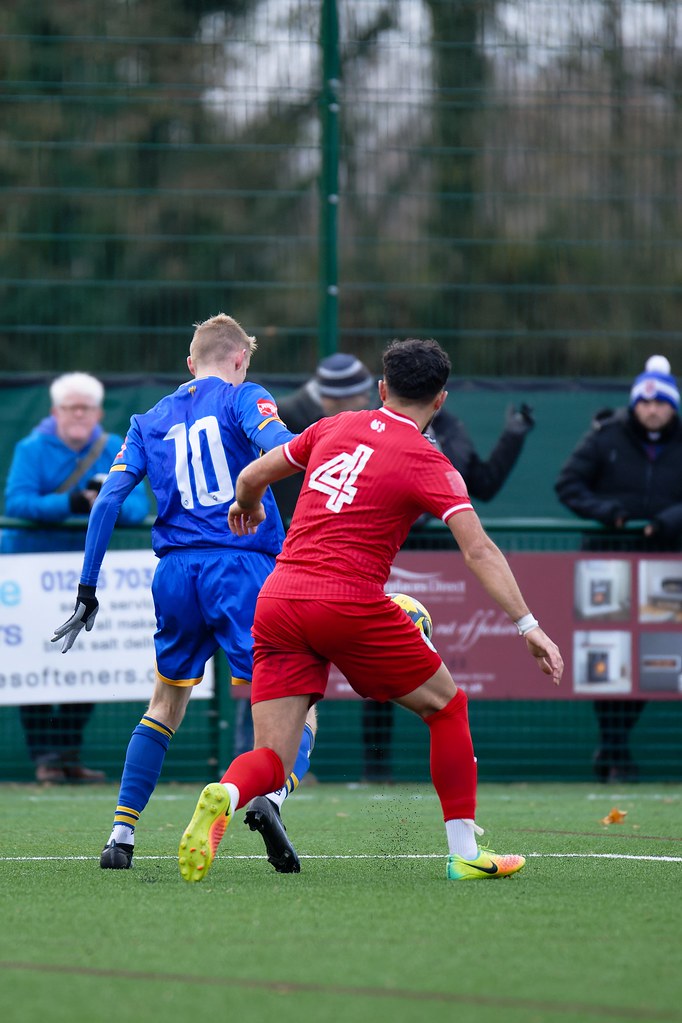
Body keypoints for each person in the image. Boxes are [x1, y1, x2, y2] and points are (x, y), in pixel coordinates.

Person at [179, 337, 563, 883]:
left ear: (381, 388)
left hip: (279, 599)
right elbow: (478, 549)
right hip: (347, 602)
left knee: (273, 758)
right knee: (447, 709)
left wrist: (246, 508)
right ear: (440, 401)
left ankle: (228, 791)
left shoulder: (332, 426)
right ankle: (464, 854)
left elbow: (250, 478)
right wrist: (529, 626)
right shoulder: (430, 459)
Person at [51, 314, 316, 872]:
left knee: (165, 704)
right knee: (300, 701)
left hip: (174, 574)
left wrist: (87, 588)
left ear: (190, 364)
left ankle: (121, 835)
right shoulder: (246, 397)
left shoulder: (148, 420)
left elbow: (106, 503)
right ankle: (270, 798)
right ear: (241, 360)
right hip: (243, 567)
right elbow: (286, 451)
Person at [1, 372, 150, 784]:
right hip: (31, 574)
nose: (79, 414)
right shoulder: (31, 448)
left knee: (87, 660)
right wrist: (71, 502)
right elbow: (18, 501)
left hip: (87, 575)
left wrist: (104, 501)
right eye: (71, 407)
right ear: (56, 412)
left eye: (86, 407)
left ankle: (69, 754)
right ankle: (45, 757)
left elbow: (137, 505)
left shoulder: (114, 447)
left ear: (98, 412)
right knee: (35, 663)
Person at [555, 354, 682, 783]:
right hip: (605, 565)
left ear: (672, 406)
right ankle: (613, 752)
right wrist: (608, 513)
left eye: (661, 403)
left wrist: (669, 520)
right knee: (603, 661)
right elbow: (568, 485)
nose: (652, 409)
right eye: (645, 402)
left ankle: (615, 747)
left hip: (665, 566)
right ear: (634, 404)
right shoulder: (605, 437)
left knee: (655, 660)